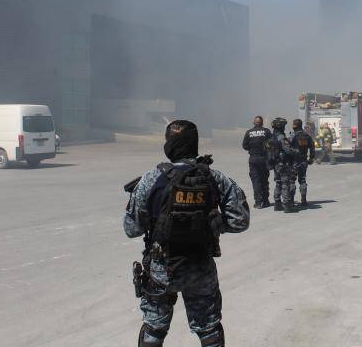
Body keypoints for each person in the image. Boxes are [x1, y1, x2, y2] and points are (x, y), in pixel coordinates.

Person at [124, 120, 250, 347]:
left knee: (154, 330)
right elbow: (240, 221)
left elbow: (132, 229)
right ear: (194, 143)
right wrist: (210, 224)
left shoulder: (151, 179)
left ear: (169, 143)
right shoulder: (215, 178)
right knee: (209, 329)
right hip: (201, 268)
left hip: (161, 268)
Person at [268, 117, 299, 212]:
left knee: (278, 183)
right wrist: (297, 151)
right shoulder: (281, 137)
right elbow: (288, 150)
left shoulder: (271, 137)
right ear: (280, 126)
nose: (284, 127)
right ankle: (287, 205)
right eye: (283, 126)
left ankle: (277, 204)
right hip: (283, 164)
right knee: (285, 184)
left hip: (275, 163)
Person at [242, 115, 272, 209]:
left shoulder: (249, 132)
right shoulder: (266, 131)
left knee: (256, 181)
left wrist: (252, 148)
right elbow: (271, 144)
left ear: (254, 123)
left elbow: (244, 146)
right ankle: (266, 201)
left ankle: (258, 203)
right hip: (264, 159)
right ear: (262, 123)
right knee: (264, 180)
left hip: (253, 159)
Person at [290, 119, 315, 207]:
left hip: (294, 162)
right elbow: (312, 148)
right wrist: (311, 158)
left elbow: (287, 148)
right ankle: (303, 200)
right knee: (302, 180)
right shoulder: (307, 136)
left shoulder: (292, 136)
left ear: (294, 126)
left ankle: (291, 201)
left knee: (292, 180)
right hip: (304, 161)